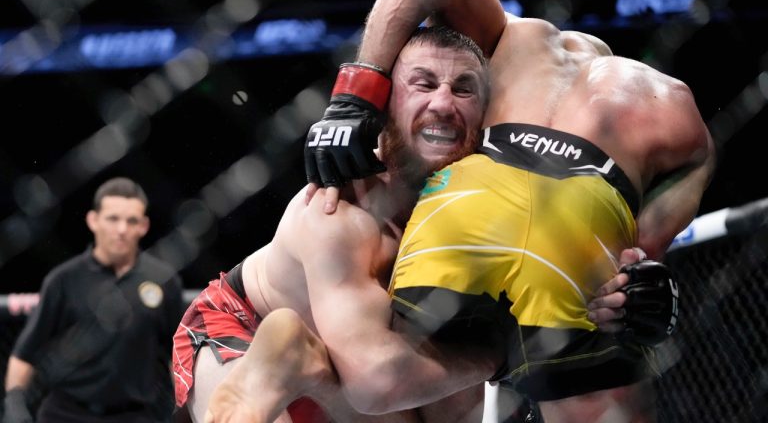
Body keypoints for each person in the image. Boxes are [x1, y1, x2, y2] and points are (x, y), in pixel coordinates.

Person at [203, 21, 683, 423]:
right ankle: (289, 356)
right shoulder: (338, 213)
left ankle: (304, 358)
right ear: (388, 102)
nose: (443, 104)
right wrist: (506, 352)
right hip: (243, 329)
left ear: (487, 115)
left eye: (464, 89)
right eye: (424, 84)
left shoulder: (503, 202)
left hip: (356, 365)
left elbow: (602, 263)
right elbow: (376, 379)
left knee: (462, 388)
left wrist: (637, 292)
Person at [3, 177, 185, 423]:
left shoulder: (164, 281)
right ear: (93, 220)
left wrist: (185, 406)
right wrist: (14, 403)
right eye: (113, 219)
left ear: (143, 226)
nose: (122, 229)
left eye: (131, 220)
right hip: (65, 414)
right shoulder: (64, 280)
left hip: (134, 416)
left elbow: (178, 355)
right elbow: (24, 354)